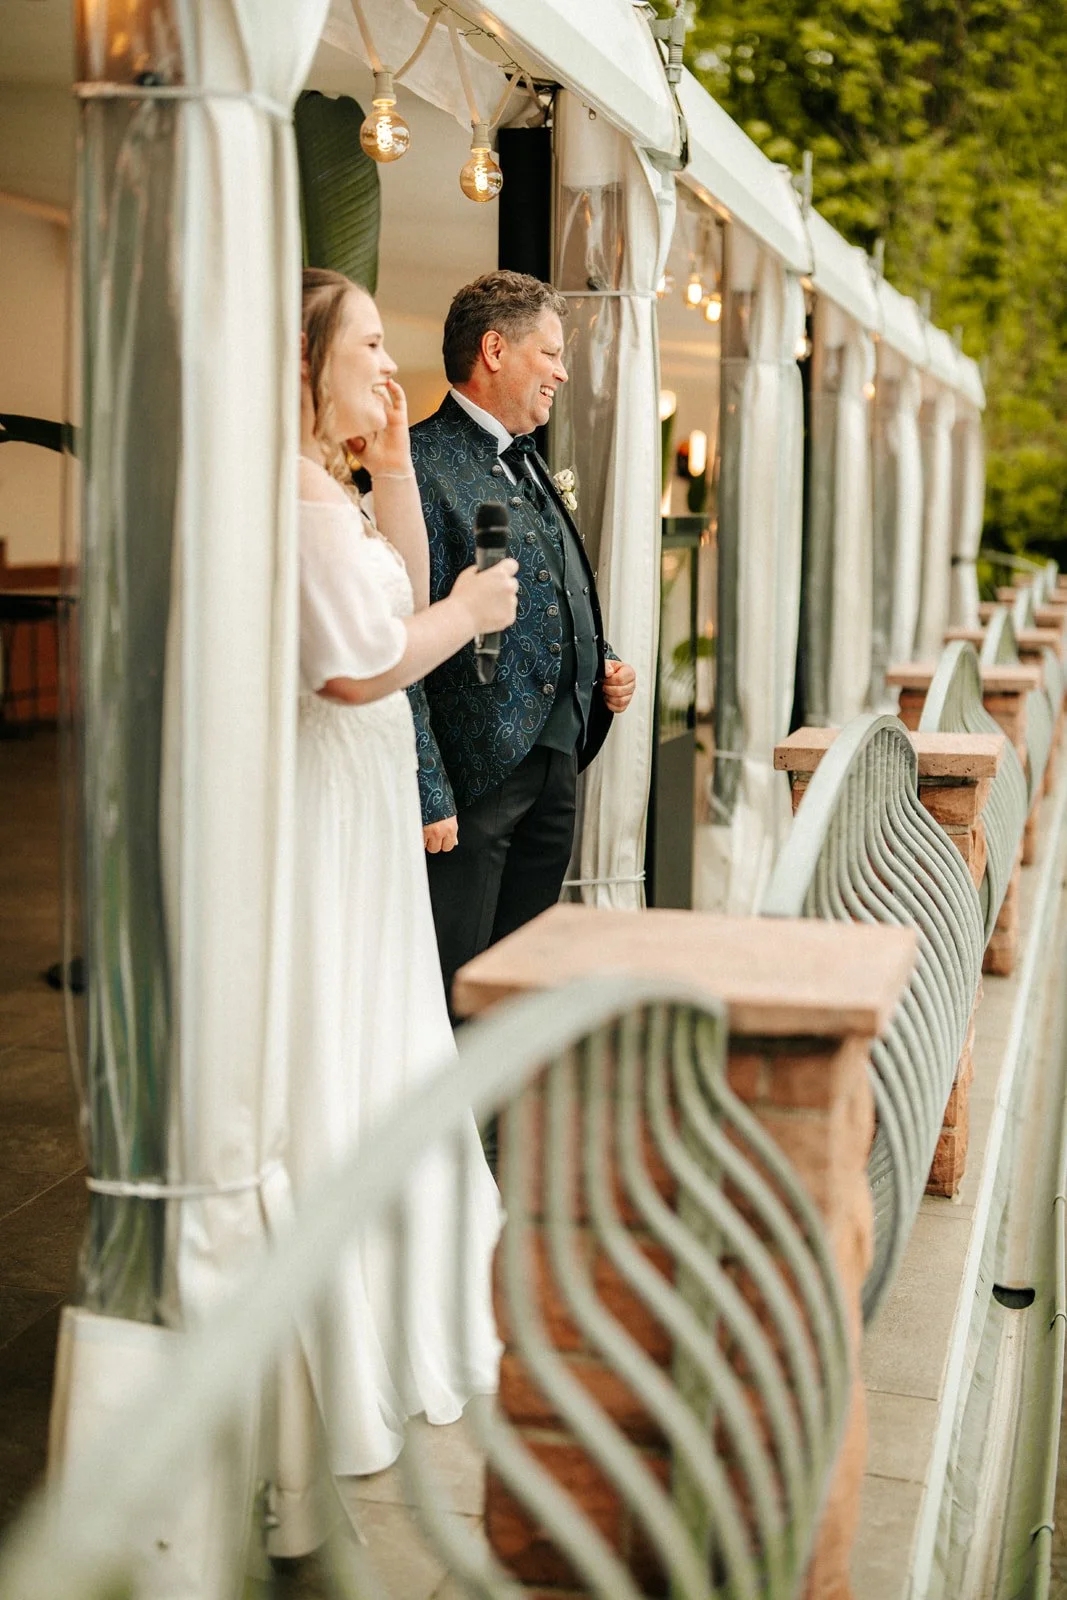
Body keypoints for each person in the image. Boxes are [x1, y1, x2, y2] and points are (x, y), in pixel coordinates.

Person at [276, 268, 517, 1547]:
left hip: (366, 796)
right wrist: (469, 614)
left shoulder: (335, 492)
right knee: (347, 1024)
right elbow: (361, 669)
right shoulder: (293, 503)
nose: (386, 362)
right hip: (333, 793)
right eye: (365, 342)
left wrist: (392, 468)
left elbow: (403, 590)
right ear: (303, 359)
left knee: (390, 1018)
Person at [408, 271, 637, 1007]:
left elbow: (545, 588)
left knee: (526, 976)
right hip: (474, 778)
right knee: (458, 982)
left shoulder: (530, 459)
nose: (562, 373)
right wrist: (427, 788)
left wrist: (597, 662)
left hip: (556, 761)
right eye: (551, 353)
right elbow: (400, 639)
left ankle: (512, 1084)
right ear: (495, 350)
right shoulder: (417, 465)